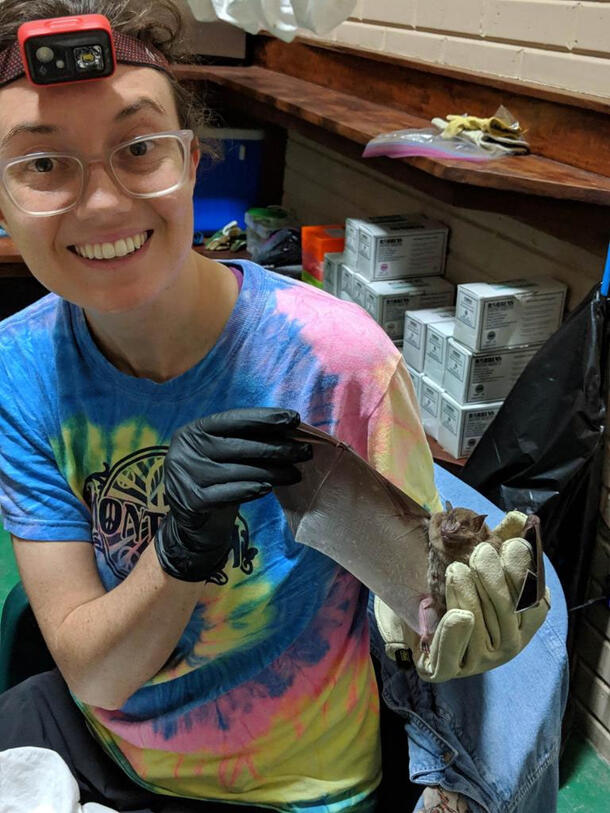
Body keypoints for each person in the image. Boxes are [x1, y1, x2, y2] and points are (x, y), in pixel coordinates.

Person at [0, 2, 565, 811]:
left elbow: (422, 605)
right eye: (44, 165)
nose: (103, 204)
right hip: (106, 742)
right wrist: (180, 546)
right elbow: (92, 668)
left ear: (192, 164)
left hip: (296, 783)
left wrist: (477, 623)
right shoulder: (19, 370)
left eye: (138, 149)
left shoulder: (338, 360)